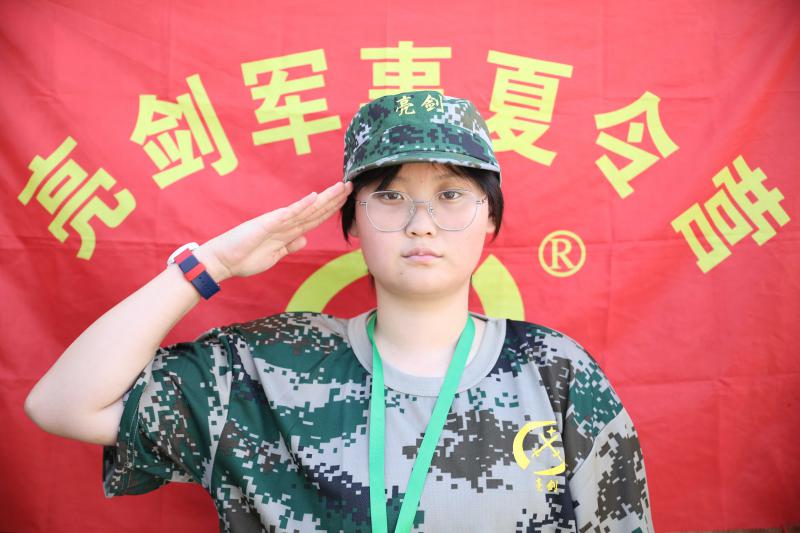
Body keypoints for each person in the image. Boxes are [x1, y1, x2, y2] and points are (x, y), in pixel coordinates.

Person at [25, 90, 654, 532]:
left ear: (490, 218)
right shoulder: (266, 371)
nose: (421, 223)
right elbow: (62, 405)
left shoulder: (554, 373)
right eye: (390, 196)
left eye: (451, 194)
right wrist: (208, 264)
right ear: (351, 224)